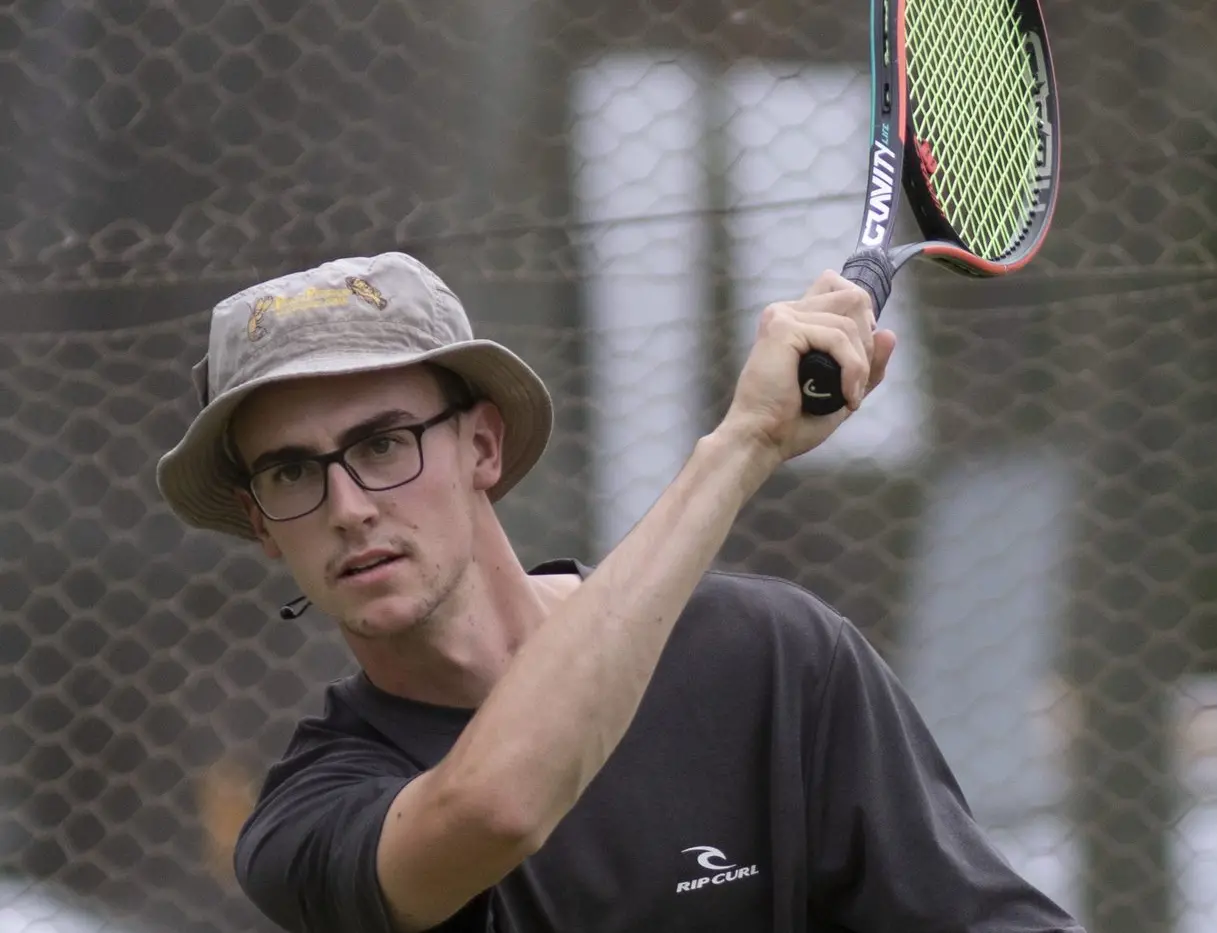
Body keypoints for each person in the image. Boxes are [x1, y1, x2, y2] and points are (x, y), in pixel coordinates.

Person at [157, 251, 1084, 933]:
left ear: (481, 446)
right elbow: (495, 809)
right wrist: (740, 447)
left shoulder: (770, 657)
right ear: (263, 527)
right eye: (290, 473)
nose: (349, 507)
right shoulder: (309, 817)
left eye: (383, 444)